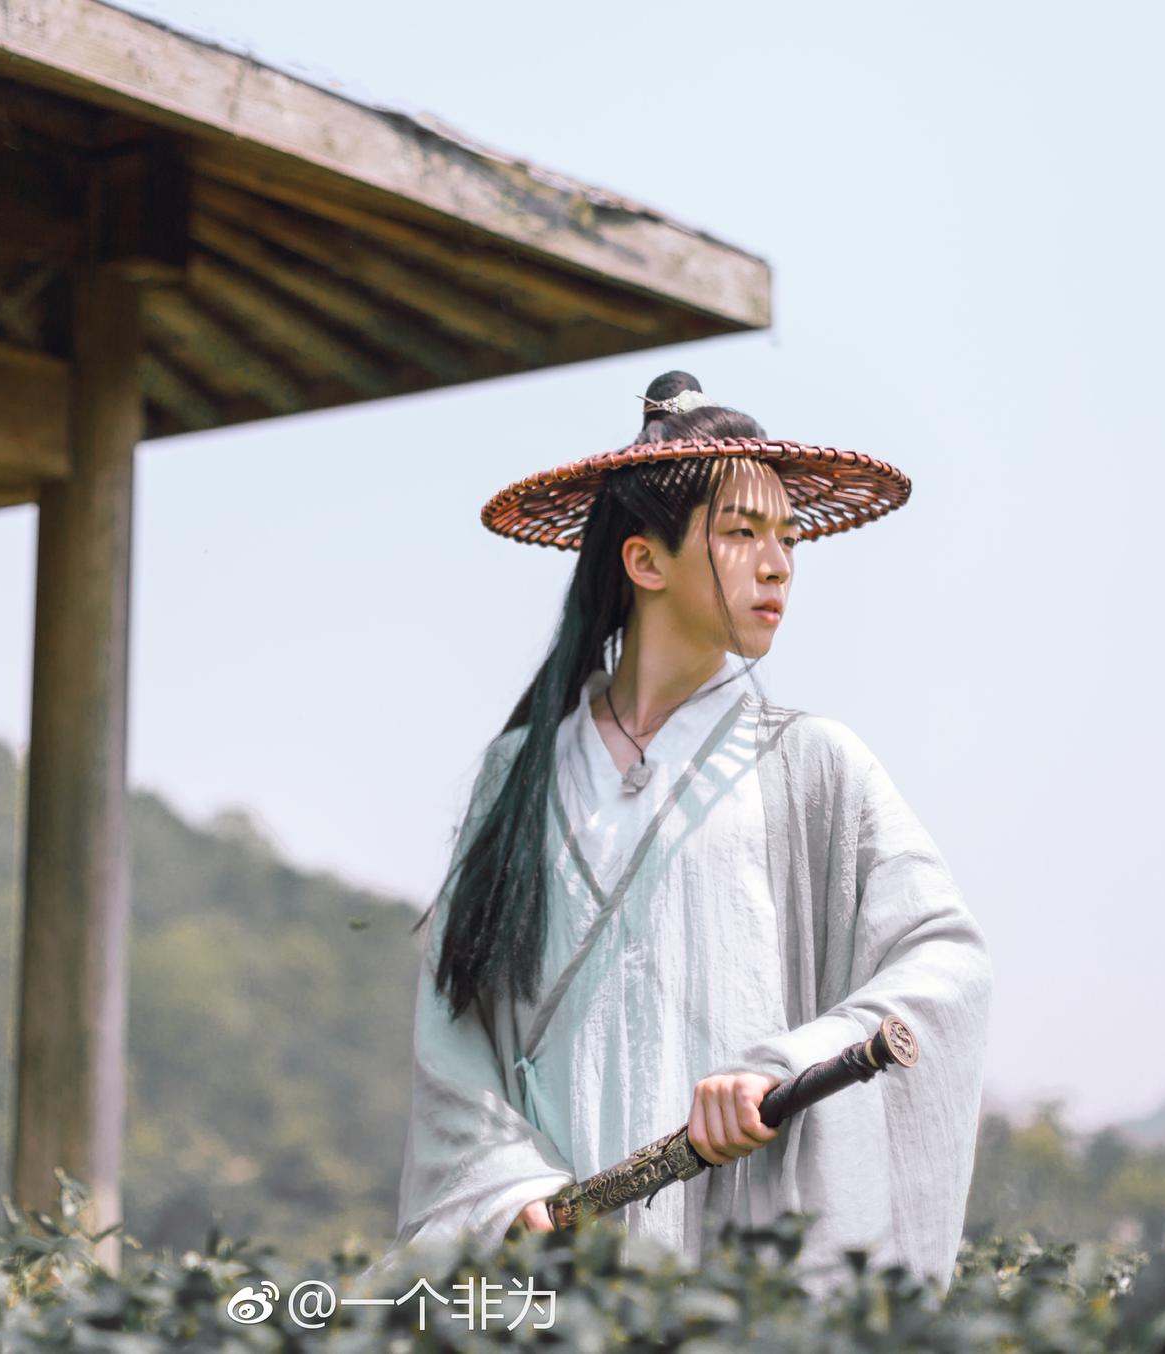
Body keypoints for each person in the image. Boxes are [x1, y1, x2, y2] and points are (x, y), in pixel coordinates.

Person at [378, 371, 994, 1298]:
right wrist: (511, 1186)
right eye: (743, 533)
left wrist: (783, 1067)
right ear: (645, 562)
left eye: (787, 537)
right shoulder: (519, 775)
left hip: (745, 1236)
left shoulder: (814, 764)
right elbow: (454, 1030)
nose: (780, 564)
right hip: (569, 1252)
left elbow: (945, 963)